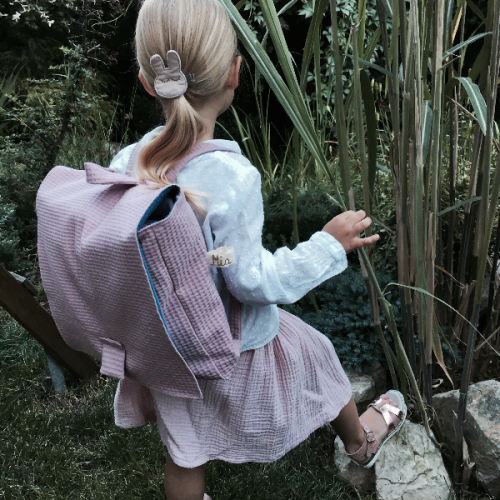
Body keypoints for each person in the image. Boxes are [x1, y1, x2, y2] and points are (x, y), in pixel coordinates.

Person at [109, 0, 407, 498]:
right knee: (319, 353)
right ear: (235, 72)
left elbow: (185, 256)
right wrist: (327, 245)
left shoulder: (126, 160)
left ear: (145, 81)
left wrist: (212, 263)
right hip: (226, 343)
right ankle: (361, 441)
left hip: (162, 342)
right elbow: (251, 281)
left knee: (185, 450)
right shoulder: (230, 175)